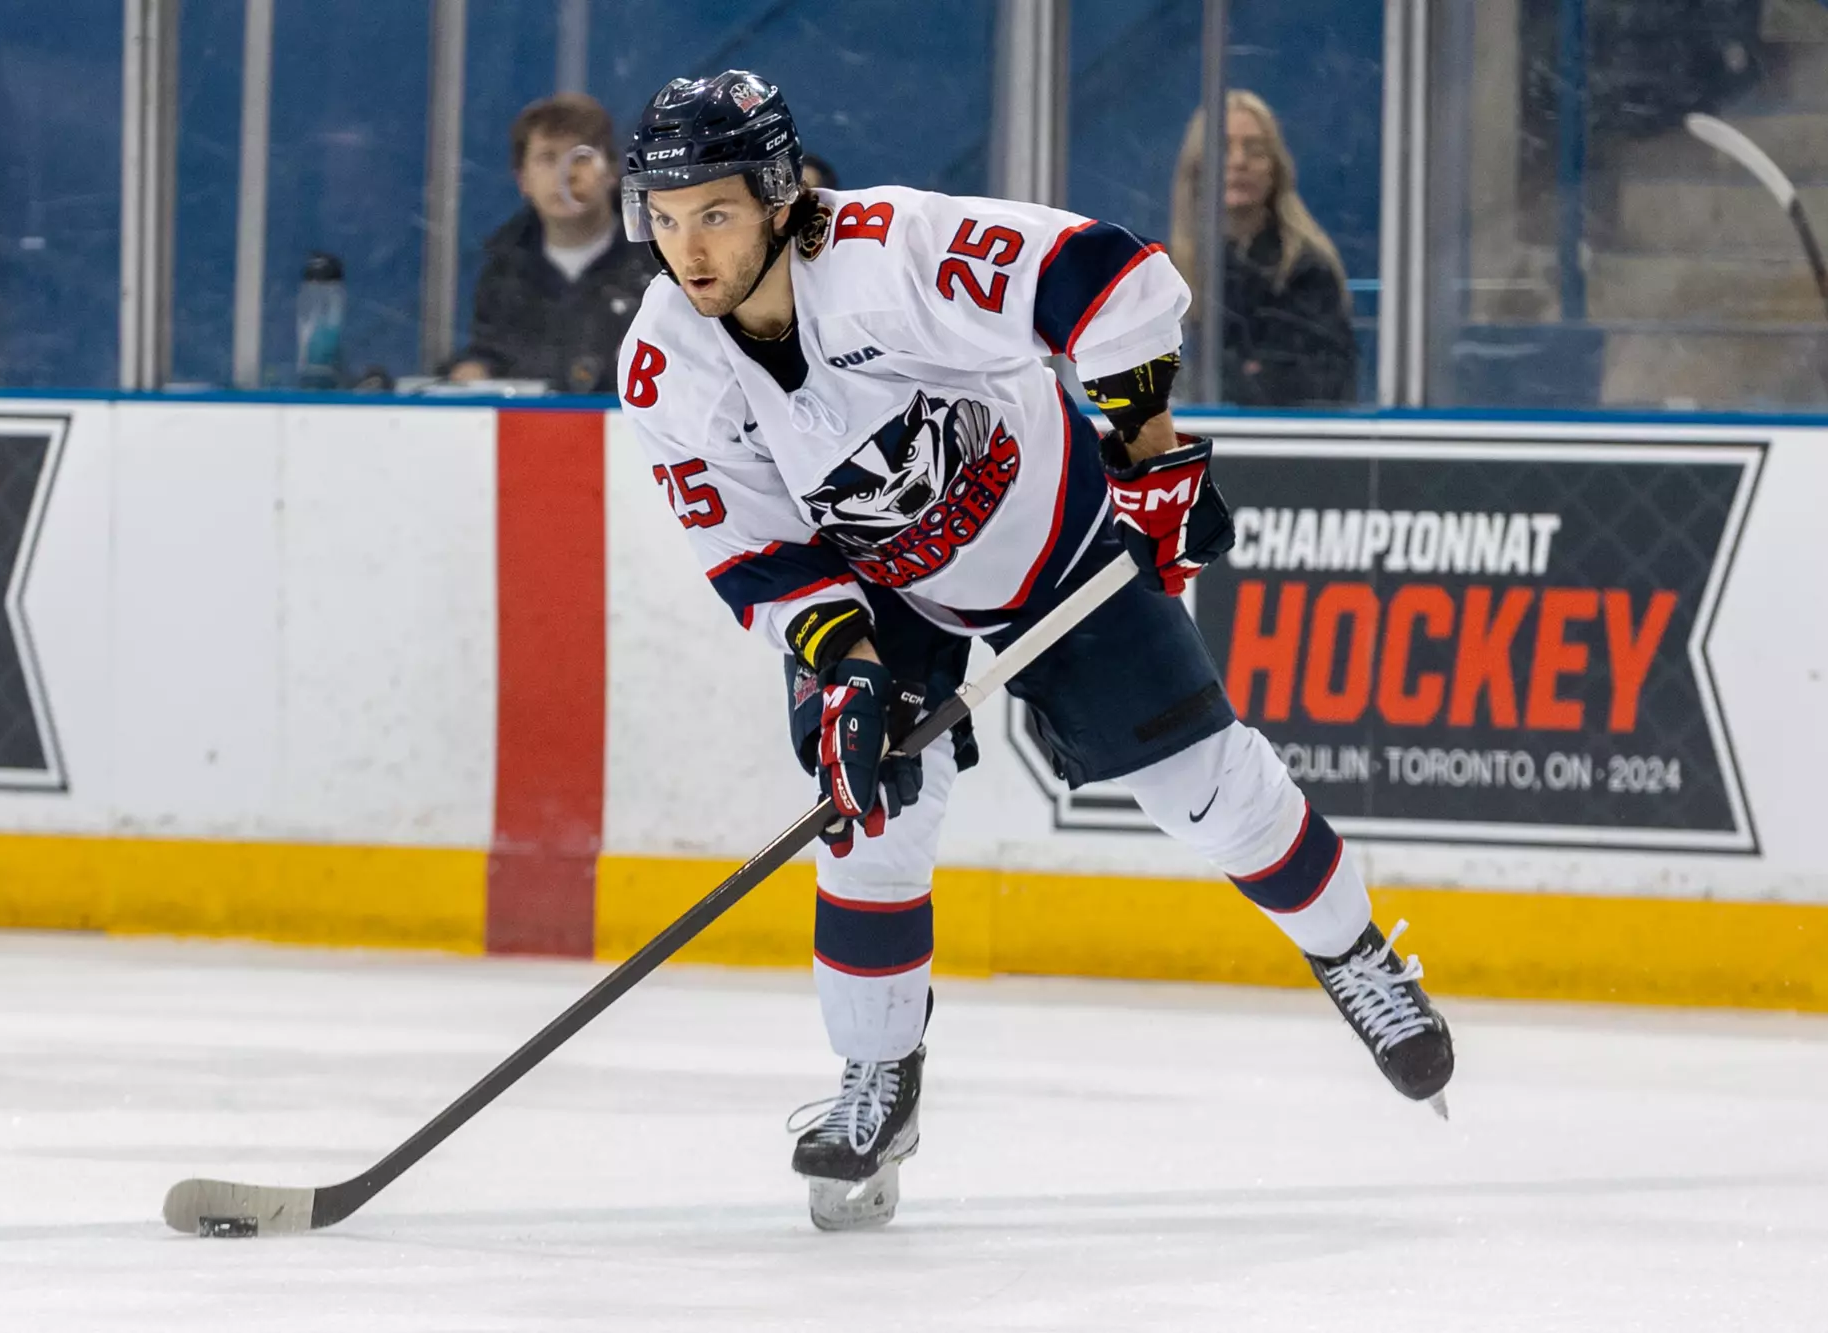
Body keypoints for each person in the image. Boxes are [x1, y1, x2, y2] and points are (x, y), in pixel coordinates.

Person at [616, 71, 1452, 1231]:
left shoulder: (889, 254)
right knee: (869, 813)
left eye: (712, 212)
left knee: (1202, 793)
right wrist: (841, 665)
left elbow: (1111, 277)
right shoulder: (667, 361)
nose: (686, 249)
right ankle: (880, 1080)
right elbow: (751, 544)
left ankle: (1354, 952)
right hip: (880, 587)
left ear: (774, 197)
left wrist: (1149, 461)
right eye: (661, 218)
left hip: (1052, 534)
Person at [446, 94, 658, 392]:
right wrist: (474, 370)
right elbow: (490, 353)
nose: (565, 174)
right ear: (522, 180)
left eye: (581, 157)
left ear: (612, 171)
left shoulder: (658, 258)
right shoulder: (503, 269)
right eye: (548, 158)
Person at [1171, 90, 1357, 407]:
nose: (1239, 161)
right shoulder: (1172, 268)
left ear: (1275, 170)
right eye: (1223, 148)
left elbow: (1317, 385)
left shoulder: (1306, 269)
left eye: (1255, 150)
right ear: (1197, 167)